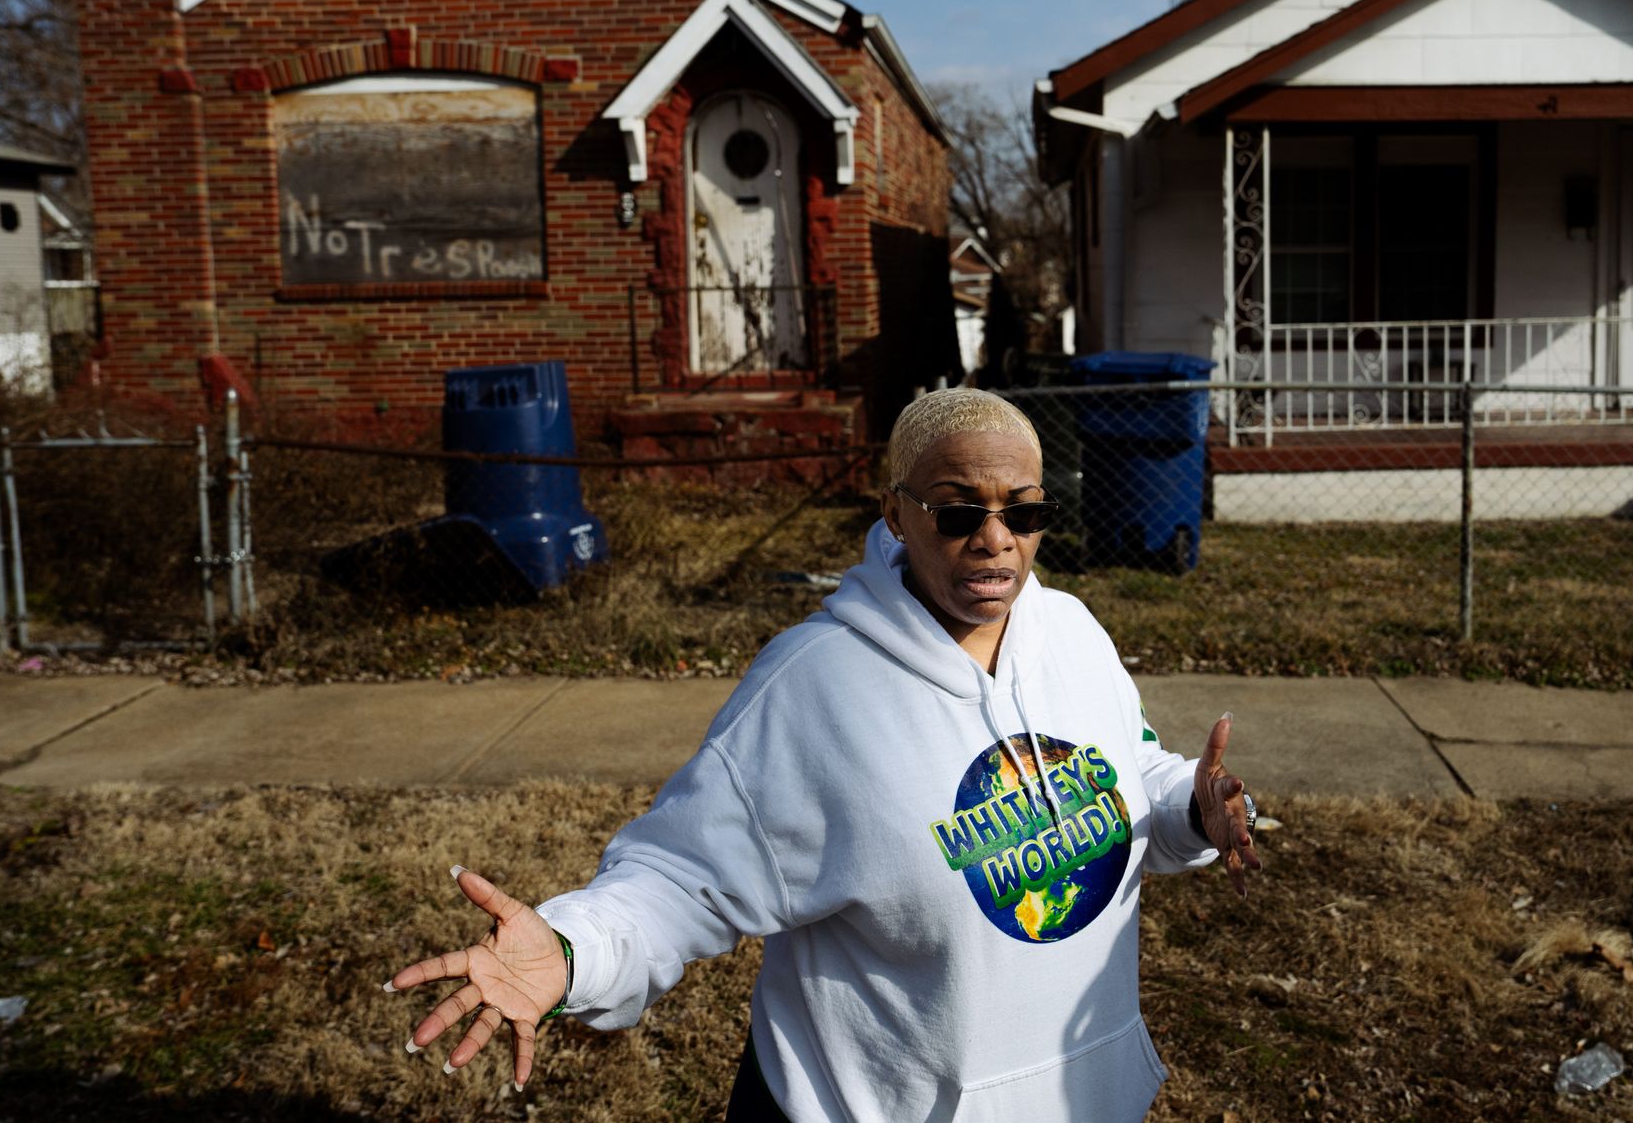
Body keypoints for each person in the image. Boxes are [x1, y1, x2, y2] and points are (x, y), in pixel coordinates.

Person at [386, 388, 1262, 1120]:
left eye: (1023, 510)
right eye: (959, 510)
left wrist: (1192, 803)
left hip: (1079, 1092)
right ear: (897, 513)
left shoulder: (1073, 632)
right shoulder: (815, 685)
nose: (995, 538)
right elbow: (680, 877)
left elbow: (1128, 770)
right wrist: (571, 949)